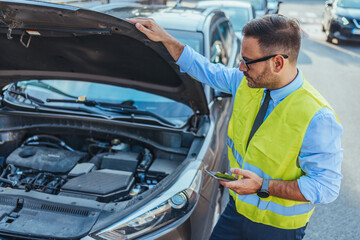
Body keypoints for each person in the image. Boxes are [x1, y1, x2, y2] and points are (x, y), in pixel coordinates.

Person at [127, 15, 343, 240]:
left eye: (247, 61)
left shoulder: (317, 117)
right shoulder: (245, 82)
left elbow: (326, 187)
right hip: (236, 211)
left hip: (277, 230)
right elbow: (205, 69)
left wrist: (263, 186)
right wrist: (165, 39)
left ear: (277, 63)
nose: (240, 67)